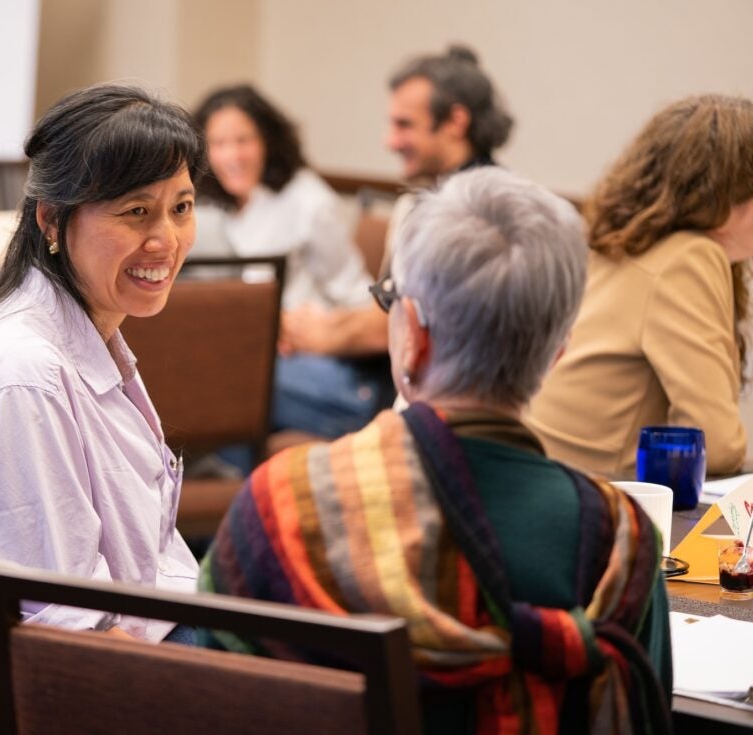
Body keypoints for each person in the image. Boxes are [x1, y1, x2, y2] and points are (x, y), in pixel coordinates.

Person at [200, 168, 672, 733]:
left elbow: (214, 695)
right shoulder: (620, 540)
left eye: (390, 300)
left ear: (414, 336)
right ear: (558, 353)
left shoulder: (284, 504)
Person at [0, 84, 205, 680]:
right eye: (136, 211)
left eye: (182, 207)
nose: (166, 240)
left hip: (154, 626)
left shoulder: (86, 334)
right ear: (51, 219)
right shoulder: (20, 375)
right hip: (103, 682)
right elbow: (74, 632)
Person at [528, 94, 753, 477]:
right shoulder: (689, 258)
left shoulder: (619, 242)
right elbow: (715, 447)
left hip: (545, 473)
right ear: (731, 194)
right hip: (596, 497)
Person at [281, 45, 514, 362]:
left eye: (404, 125)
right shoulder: (447, 197)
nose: (389, 142)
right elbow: (391, 307)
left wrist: (319, 333)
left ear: (456, 122)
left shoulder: (477, 214)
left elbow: (397, 327)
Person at [193, 84, 383, 439]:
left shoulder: (309, 202)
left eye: (243, 140)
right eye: (218, 144)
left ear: (267, 140)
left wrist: (315, 329)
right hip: (261, 353)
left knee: (206, 382)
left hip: (318, 362)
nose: (231, 155)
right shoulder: (226, 208)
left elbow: (356, 294)